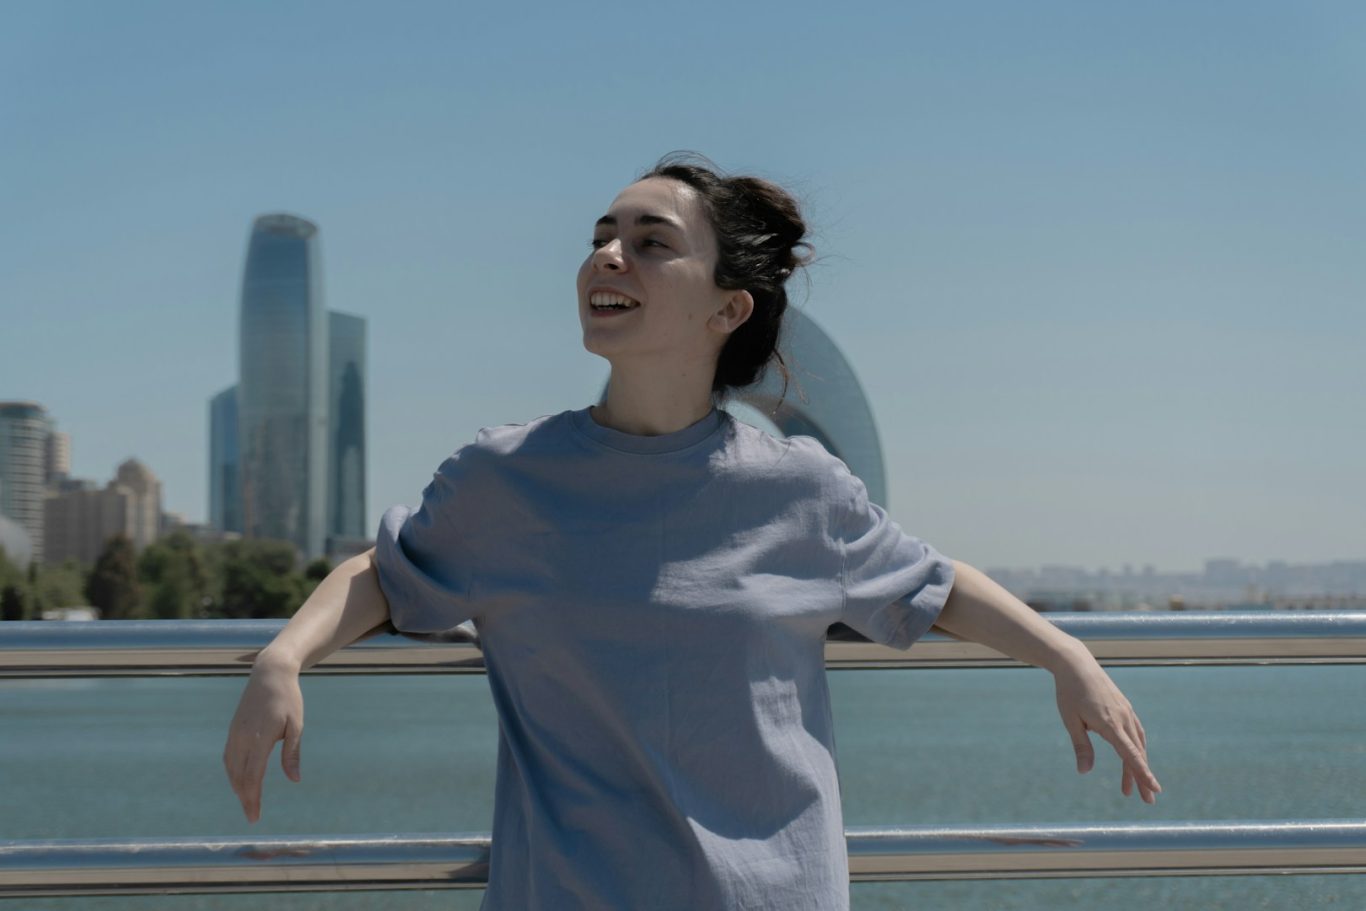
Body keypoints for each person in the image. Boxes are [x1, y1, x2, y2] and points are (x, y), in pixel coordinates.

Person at [224, 151, 1161, 910]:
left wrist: (1065, 656)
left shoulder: (800, 490)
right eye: (601, 237)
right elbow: (388, 575)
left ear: (727, 308)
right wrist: (284, 656)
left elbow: (932, 583)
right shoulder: (503, 479)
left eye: (649, 240)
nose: (607, 255)